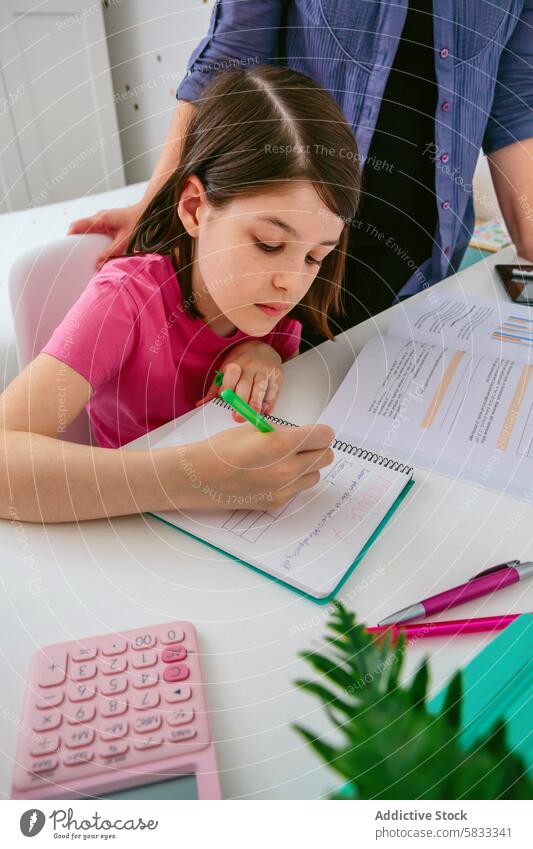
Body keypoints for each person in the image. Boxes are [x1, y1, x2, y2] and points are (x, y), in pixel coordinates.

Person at [0, 65, 361, 523]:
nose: (291, 281)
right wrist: (195, 477)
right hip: (125, 531)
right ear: (194, 208)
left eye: (315, 258)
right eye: (268, 244)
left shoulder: (268, 313)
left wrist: (265, 356)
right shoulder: (125, 301)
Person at [69, 0, 533, 348]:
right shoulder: (131, 304)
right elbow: (229, 58)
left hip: (425, 267)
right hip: (305, 275)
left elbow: (516, 105)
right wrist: (159, 201)